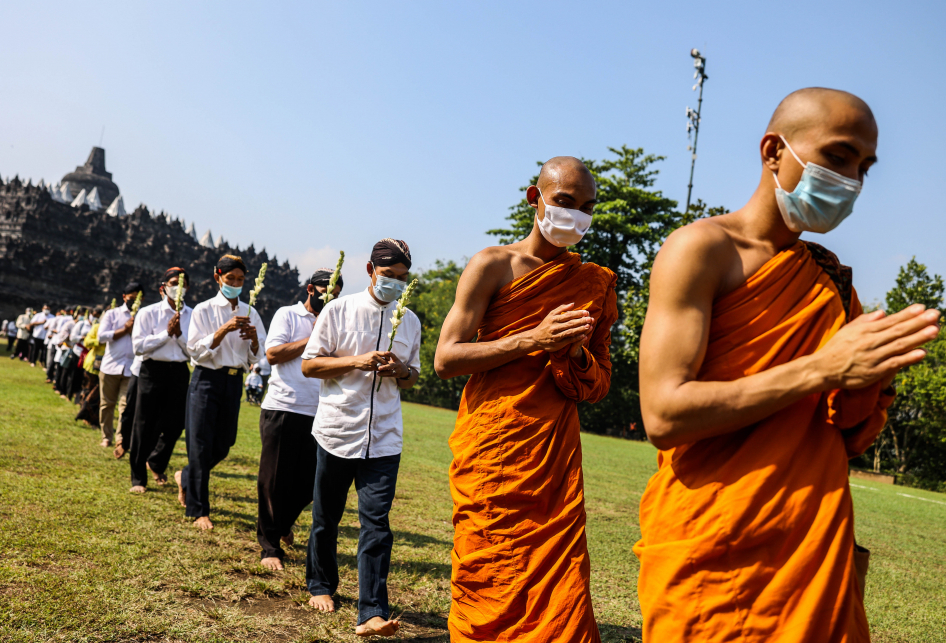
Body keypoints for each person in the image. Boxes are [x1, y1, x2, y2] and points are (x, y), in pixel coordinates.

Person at [633, 88, 941, 642]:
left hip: (810, 550)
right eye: (839, 157)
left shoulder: (830, 282)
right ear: (774, 150)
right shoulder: (702, 250)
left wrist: (869, 375)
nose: (852, 182)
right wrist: (822, 369)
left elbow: (842, 435)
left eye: (864, 168)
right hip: (715, 548)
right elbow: (663, 414)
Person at [434, 157, 617, 643]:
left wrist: (575, 353)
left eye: (586, 207)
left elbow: (598, 384)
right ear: (535, 199)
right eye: (564, 202)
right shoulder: (493, 264)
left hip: (552, 457)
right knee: (490, 568)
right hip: (495, 448)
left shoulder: (595, 283)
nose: (576, 215)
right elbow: (445, 358)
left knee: (561, 583)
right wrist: (530, 338)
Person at [301, 239, 421, 638]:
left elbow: (415, 376)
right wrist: (356, 360)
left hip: (384, 436)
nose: (396, 285)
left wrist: (401, 371)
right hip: (338, 430)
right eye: (389, 277)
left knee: (377, 525)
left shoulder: (412, 322)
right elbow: (309, 365)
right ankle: (321, 584)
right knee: (326, 518)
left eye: (402, 279)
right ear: (370, 270)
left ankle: (371, 610)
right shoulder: (338, 310)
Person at [256, 269, 343, 571]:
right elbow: (273, 354)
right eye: (324, 291)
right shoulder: (287, 315)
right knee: (274, 481)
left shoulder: (337, 321)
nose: (329, 298)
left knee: (310, 482)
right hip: (284, 407)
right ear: (310, 289)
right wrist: (313, 336)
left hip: (320, 411)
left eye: (335, 294)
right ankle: (269, 547)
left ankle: (280, 525)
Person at [176, 254, 266, 530]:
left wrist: (252, 339)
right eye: (231, 279)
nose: (236, 284)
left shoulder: (251, 312)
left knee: (225, 442)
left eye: (240, 280)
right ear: (218, 277)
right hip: (206, 379)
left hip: (233, 381)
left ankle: (187, 475)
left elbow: (259, 355)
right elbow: (194, 350)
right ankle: (199, 509)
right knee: (200, 444)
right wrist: (224, 329)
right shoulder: (203, 310)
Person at [128, 268, 193, 493]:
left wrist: (179, 336)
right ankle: (138, 477)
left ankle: (156, 461)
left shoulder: (193, 315)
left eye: (183, 284)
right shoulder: (148, 313)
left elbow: (194, 352)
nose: (178, 287)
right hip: (152, 370)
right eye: (174, 282)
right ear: (163, 287)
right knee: (144, 424)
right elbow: (138, 347)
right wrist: (166, 334)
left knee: (176, 424)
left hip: (179, 371)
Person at [97, 284, 142, 448]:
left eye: (137, 297)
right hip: (110, 366)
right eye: (131, 296)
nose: (133, 300)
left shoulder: (144, 316)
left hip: (131, 368)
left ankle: (121, 439)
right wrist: (124, 330)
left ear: (142, 299)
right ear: (124, 297)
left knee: (125, 406)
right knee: (107, 404)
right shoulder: (112, 314)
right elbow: (101, 337)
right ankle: (106, 436)